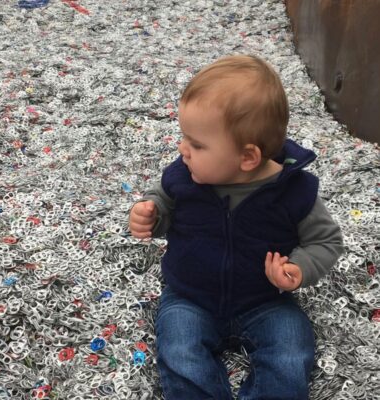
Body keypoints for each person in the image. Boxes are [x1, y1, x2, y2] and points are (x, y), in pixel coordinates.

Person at [128, 54, 344, 400]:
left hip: (265, 299)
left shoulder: (293, 192)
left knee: (290, 353)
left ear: (247, 157)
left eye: (197, 144)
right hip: (190, 296)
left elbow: (325, 241)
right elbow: (162, 201)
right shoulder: (185, 175)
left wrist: (298, 269)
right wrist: (149, 215)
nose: (182, 149)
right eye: (184, 137)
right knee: (181, 353)